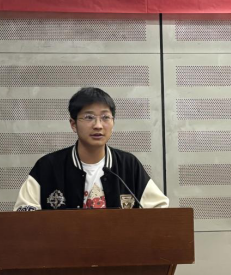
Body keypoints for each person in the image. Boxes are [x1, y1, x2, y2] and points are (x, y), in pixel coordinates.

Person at [14, 87, 169, 211]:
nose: (98, 125)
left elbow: (160, 210)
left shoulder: (128, 165)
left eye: (105, 117)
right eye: (89, 117)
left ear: (113, 123)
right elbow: (23, 214)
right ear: (73, 124)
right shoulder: (47, 166)